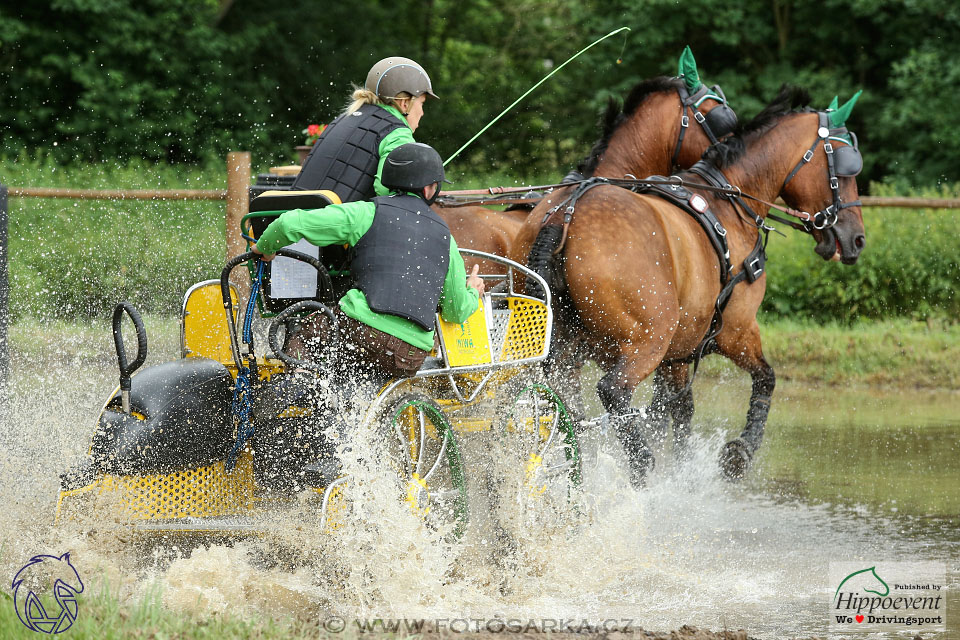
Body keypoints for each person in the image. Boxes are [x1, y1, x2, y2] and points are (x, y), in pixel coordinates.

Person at [253, 142, 484, 387]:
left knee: (307, 331)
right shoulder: (446, 238)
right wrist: (472, 290)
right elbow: (455, 310)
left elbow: (290, 223)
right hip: (409, 353)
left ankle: (301, 384)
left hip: (361, 330)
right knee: (361, 365)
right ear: (429, 189)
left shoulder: (366, 213)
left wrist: (265, 248)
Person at [292, 56, 438, 203]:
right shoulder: (397, 133)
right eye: (422, 103)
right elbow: (391, 194)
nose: (422, 112)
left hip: (294, 214)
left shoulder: (345, 119)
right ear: (405, 103)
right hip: (333, 223)